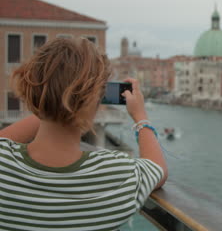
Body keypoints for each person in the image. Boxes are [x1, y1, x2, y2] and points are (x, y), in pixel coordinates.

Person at [0, 38, 167, 230]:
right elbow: (157, 168)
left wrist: (52, 101)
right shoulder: (116, 175)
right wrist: (140, 115)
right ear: (94, 102)